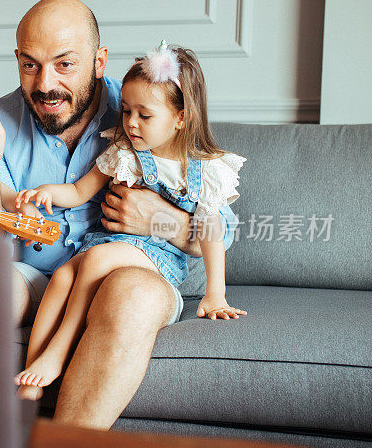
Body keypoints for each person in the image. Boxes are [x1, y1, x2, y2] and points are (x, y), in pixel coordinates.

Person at [0, 0, 237, 428]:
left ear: (98, 61)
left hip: (132, 271)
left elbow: (220, 229)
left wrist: (158, 219)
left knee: (132, 294)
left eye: (64, 64)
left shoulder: (143, 111)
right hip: (34, 276)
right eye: (30, 64)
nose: (45, 83)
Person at [13, 42, 246, 398]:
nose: (131, 123)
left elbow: (211, 231)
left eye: (145, 115)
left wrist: (216, 293)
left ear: (181, 117)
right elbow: (78, 191)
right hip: (108, 242)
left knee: (96, 259)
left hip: (157, 260)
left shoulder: (203, 170)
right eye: (125, 111)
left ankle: (57, 353)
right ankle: (33, 374)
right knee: (61, 276)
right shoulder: (125, 152)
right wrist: (47, 192)